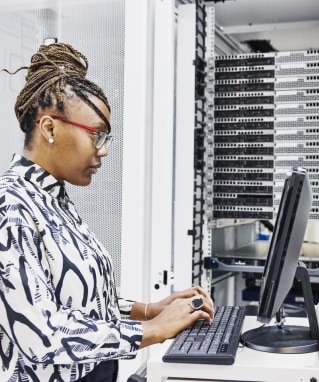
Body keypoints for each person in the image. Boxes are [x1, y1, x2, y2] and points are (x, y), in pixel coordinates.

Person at [0, 42, 214, 381]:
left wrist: (148, 310)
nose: (104, 151)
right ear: (49, 128)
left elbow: (81, 303)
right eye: (96, 135)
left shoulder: (54, 200)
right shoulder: (10, 207)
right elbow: (41, 335)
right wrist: (154, 329)